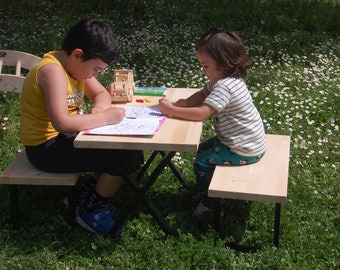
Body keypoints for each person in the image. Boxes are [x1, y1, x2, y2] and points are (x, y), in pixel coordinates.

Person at [20, 18, 144, 235]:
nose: (94, 75)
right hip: (45, 149)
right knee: (128, 158)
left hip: (63, 139)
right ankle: (90, 211)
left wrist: (98, 111)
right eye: (96, 69)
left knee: (125, 152)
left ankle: (84, 196)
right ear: (77, 55)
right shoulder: (53, 71)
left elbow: (101, 93)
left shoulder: (74, 67)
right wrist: (105, 118)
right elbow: (62, 122)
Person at [158, 28, 266, 215]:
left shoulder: (225, 87)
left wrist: (172, 111)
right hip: (241, 141)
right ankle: (206, 190)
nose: (203, 70)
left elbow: (201, 114)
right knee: (201, 148)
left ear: (223, 64)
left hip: (243, 149)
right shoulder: (225, 79)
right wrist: (184, 103)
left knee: (202, 162)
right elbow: (202, 94)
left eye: (206, 66)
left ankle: (210, 205)